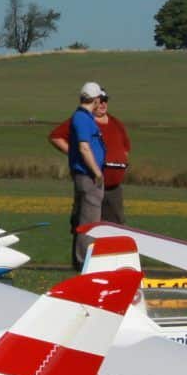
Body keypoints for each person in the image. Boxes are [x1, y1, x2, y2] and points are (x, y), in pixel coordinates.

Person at [47, 82, 108, 256]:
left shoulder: (84, 117)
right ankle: (85, 259)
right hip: (88, 176)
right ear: (95, 100)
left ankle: (84, 257)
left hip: (87, 174)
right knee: (90, 220)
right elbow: (84, 147)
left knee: (89, 218)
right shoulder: (82, 118)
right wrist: (97, 172)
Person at [92, 89, 131, 228]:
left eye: (105, 101)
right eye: (99, 101)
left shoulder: (116, 123)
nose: (103, 104)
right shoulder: (84, 121)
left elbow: (126, 148)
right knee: (91, 225)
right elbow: (57, 137)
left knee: (116, 226)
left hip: (114, 188)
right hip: (93, 184)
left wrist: (121, 163)